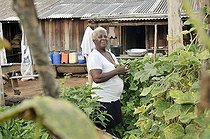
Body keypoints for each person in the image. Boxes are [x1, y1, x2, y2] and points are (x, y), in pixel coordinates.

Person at [87, 26, 128, 131]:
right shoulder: (94, 56)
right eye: (100, 37)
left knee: (114, 127)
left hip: (113, 99)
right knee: (104, 130)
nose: (103, 39)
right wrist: (117, 71)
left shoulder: (109, 53)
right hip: (103, 101)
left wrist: (123, 71)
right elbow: (97, 78)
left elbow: (115, 70)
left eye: (105, 36)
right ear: (94, 40)